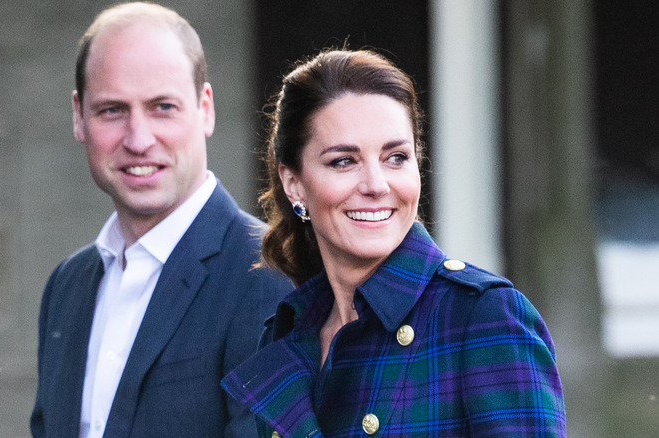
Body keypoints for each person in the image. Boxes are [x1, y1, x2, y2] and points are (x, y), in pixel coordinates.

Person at [221, 49, 566, 437]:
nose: (376, 185)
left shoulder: (483, 316)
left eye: (396, 157)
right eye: (343, 161)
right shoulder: (288, 330)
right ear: (294, 183)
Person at [30, 3, 292, 437]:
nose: (138, 139)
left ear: (205, 108)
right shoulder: (66, 286)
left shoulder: (267, 274)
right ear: (79, 117)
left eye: (162, 107)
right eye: (112, 110)